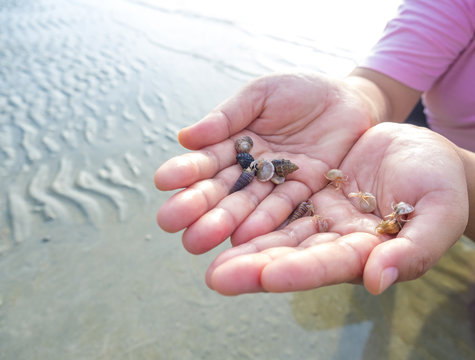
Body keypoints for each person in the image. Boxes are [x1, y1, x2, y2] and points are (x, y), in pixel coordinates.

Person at [154, 0, 475, 296]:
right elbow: (385, 86)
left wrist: (462, 172)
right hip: (421, 128)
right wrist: (357, 101)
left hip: (439, 156)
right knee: (375, 258)